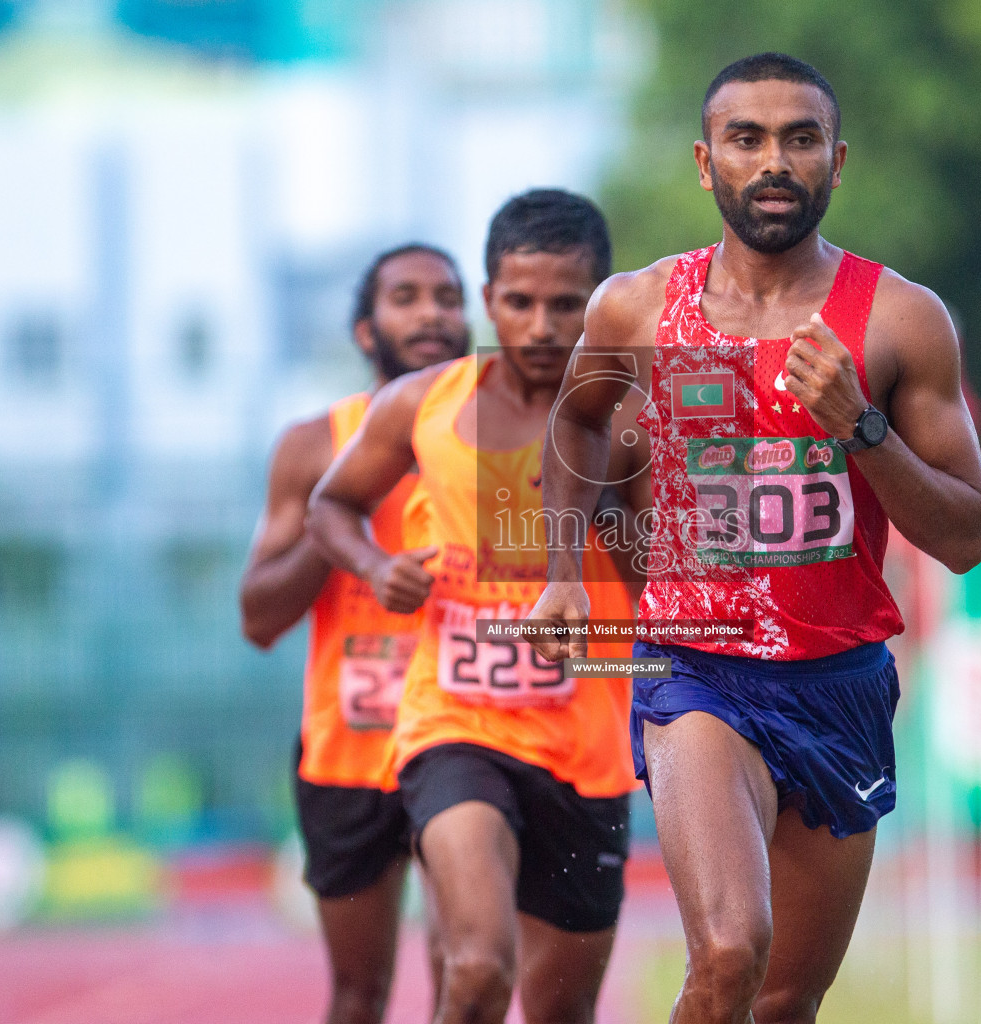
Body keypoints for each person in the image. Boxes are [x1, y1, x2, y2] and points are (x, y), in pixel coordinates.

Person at [529, 53, 981, 1024]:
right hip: (693, 664)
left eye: (800, 138)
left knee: (784, 1000)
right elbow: (575, 423)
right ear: (707, 163)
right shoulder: (637, 306)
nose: (774, 160)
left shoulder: (902, 320)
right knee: (734, 948)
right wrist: (564, 572)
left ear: (837, 158)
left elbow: (964, 535)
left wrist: (861, 427)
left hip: (840, 680)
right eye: (747, 139)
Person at [307, 189, 648, 1024]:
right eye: (518, 303)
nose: (538, 326)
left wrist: (610, 516)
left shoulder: (634, 420)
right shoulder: (424, 402)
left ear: (600, 304)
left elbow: (659, 585)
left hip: (586, 745)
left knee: (559, 1011)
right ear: (488, 299)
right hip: (455, 725)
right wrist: (376, 565)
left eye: (566, 305)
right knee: (479, 967)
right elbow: (330, 504)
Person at [239, 244, 470, 1024]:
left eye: (447, 295)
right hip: (349, 751)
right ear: (366, 330)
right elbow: (259, 617)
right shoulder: (314, 446)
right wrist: (340, 517)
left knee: (464, 967)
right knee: (357, 993)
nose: (433, 311)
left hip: (469, 737)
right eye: (406, 296)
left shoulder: (496, 441)